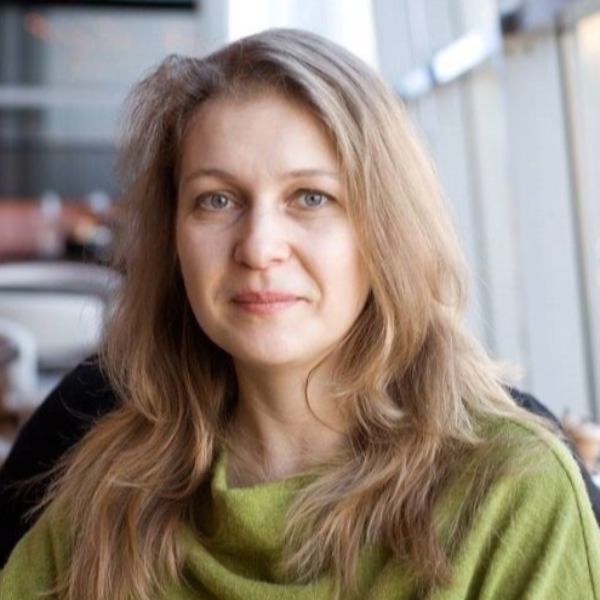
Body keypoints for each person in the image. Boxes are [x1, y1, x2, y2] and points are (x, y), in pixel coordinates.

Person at [0, 28, 599, 600]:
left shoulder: (512, 496)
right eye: (217, 199)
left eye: (311, 197)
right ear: (174, 239)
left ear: (387, 230)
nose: (259, 247)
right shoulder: (106, 487)